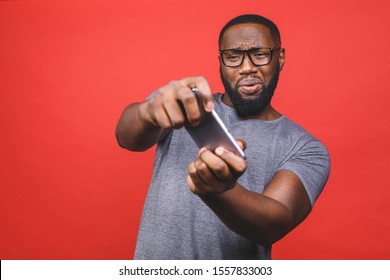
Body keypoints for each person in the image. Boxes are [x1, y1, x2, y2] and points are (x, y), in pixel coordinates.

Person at [115, 14, 330, 260]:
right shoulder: (183, 104)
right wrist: (149, 111)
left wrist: (218, 191)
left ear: (279, 58)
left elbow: (273, 224)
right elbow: (126, 138)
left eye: (260, 54)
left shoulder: (305, 148)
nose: (247, 67)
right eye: (233, 56)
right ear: (221, 61)